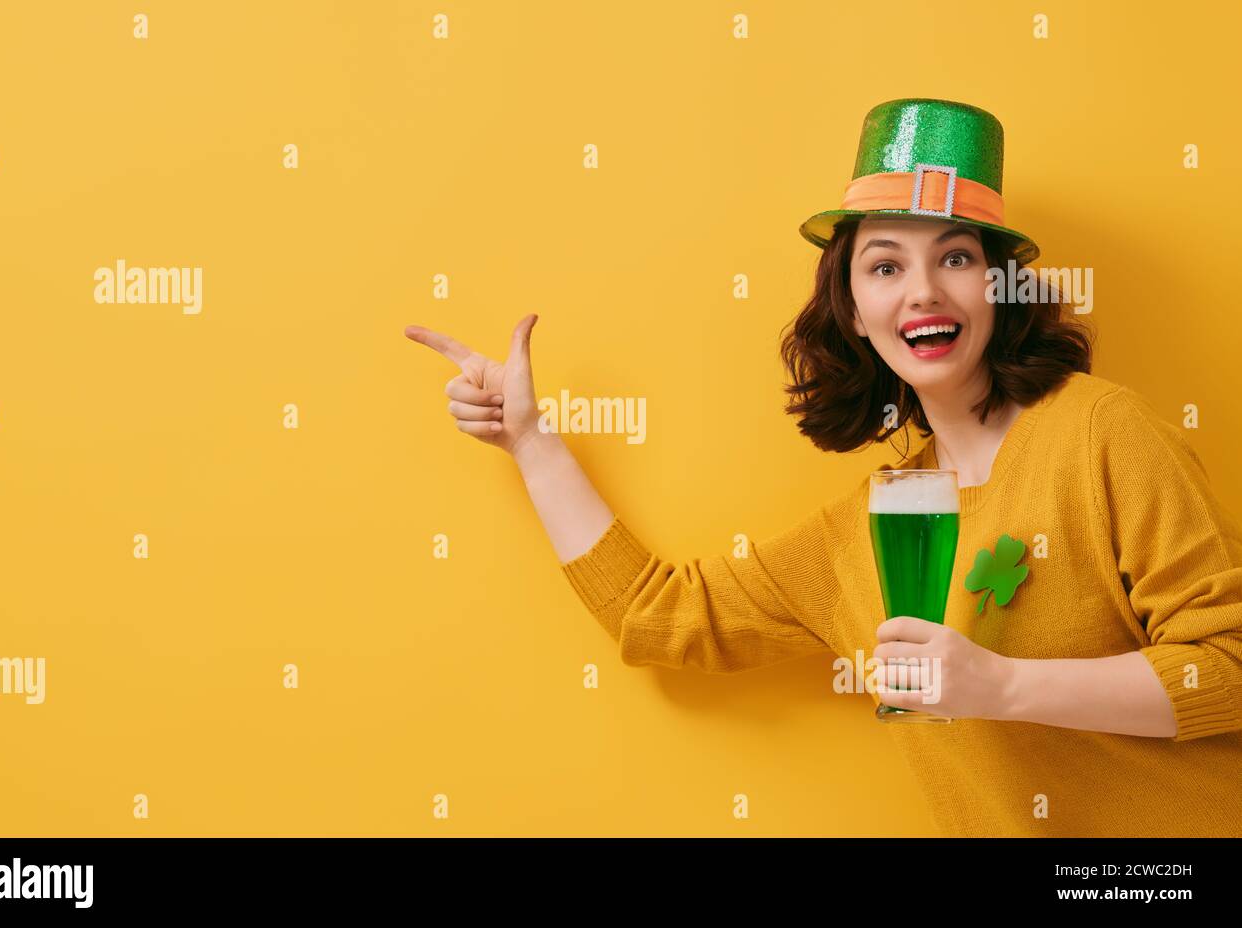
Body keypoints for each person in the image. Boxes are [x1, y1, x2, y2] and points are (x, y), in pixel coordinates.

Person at [404, 99, 1242, 837]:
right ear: (853, 309)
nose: (923, 293)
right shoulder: (875, 526)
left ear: (998, 286)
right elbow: (657, 615)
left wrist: (1002, 685)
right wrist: (532, 443)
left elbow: (1229, 667)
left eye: (954, 258)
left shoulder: (1102, 432)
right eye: (885, 265)